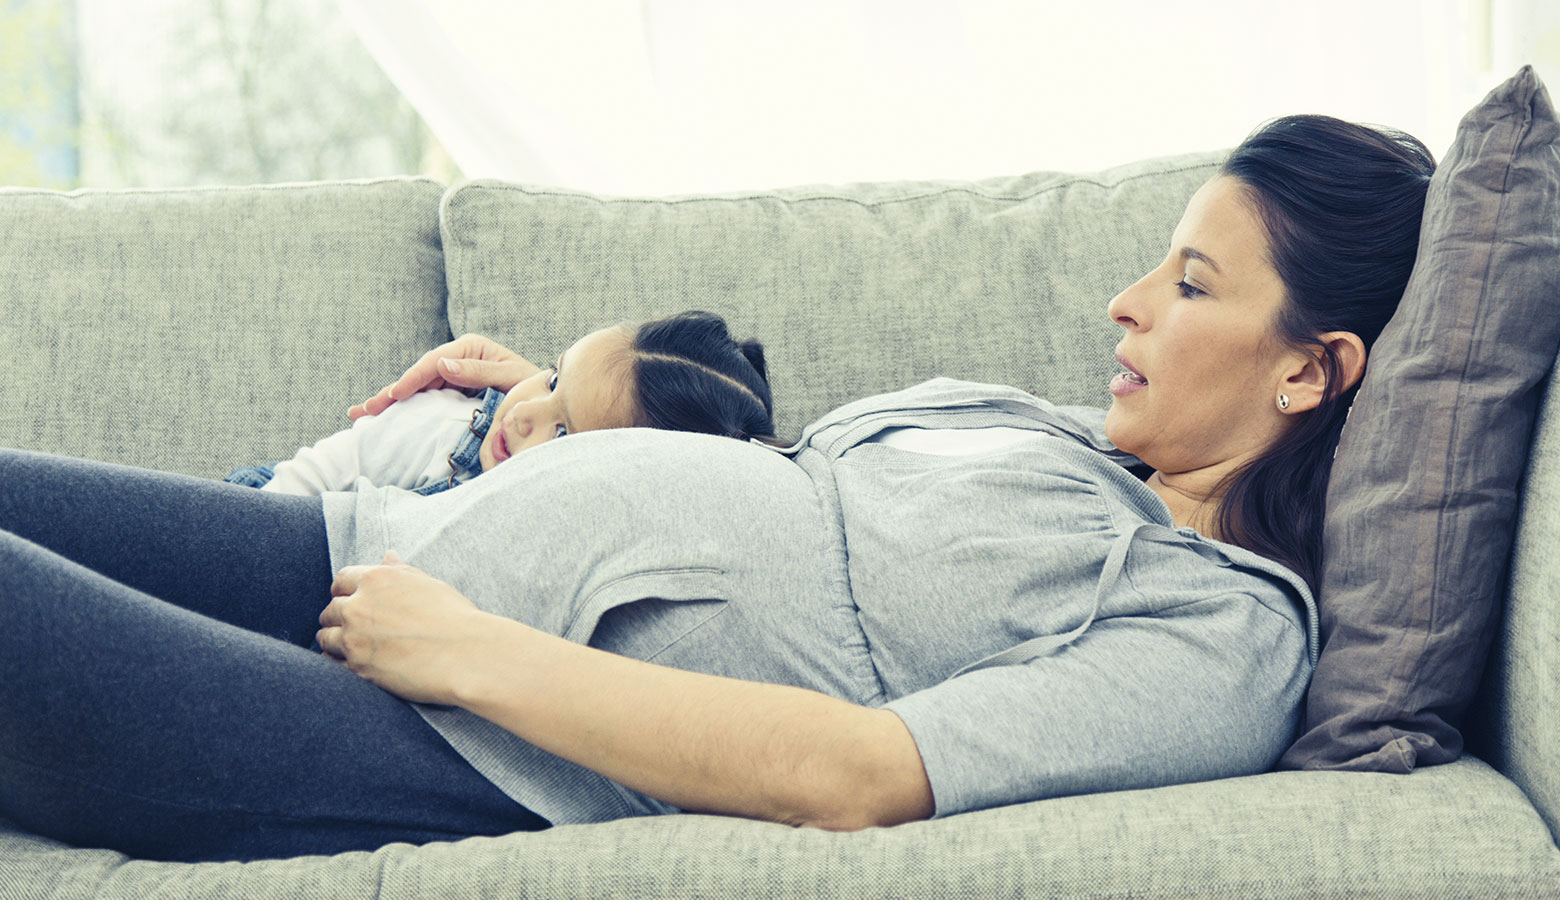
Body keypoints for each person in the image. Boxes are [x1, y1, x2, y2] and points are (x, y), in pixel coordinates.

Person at [0, 114, 1435, 863]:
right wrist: (543, 418)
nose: (1125, 303)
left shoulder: (1220, 638)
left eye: (1189, 285)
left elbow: (859, 774)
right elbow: (786, 505)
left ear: (1310, 373)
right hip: (391, 542)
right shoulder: (1071, 442)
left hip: (458, 731)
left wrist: (479, 656)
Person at [225, 310, 777, 495]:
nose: (525, 413)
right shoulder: (452, 431)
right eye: (554, 378)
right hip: (280, 502)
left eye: (563, 435)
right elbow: (315, 474)